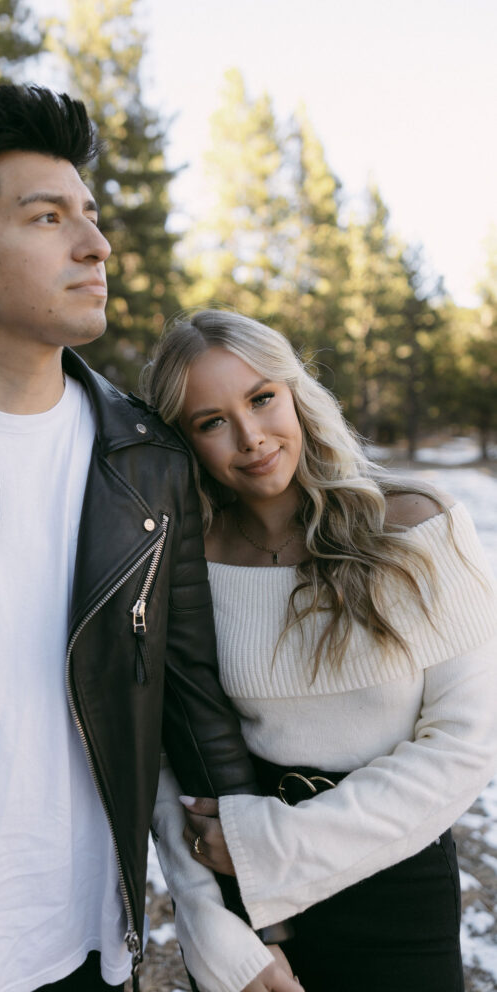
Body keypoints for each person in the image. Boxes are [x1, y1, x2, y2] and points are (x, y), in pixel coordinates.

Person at [0, 87, 302, 992]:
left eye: (91, 214)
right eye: (47, 218)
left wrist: (247, 921)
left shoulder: (147, 461)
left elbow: (196, 713)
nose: (95, 245)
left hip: (91, 948)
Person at [144, 308, 497, 992]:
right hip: (243, 899)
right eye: (210, 421)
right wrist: (204, 917)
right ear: (185, 443)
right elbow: (166, 748)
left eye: (260, 399)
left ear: (295, 393)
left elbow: (465, 744)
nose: (250, 438)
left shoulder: (416, 526)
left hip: (392, 883)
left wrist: (269, 846)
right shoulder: (184, 564)